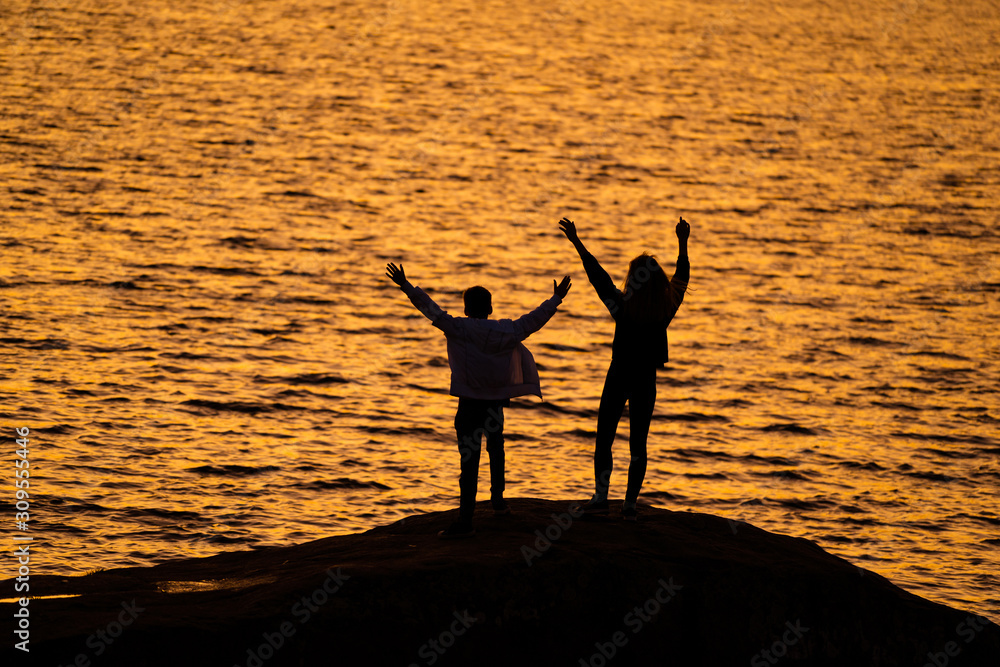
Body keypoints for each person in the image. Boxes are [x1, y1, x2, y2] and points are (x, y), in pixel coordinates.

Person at [386, 262, 571, 538]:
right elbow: (534, 320)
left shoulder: (458, 328)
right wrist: (556, 298)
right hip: (494, 405)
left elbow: (430, 309)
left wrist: (405, 285)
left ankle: (465, 520)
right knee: (496, 449)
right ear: (490, 309)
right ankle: (498, 501)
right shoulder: (506, 330)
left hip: (469, 404)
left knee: (469, 461)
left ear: (465, 309)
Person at [559, 216, 690, 520]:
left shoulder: (622, 307)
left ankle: (601, 497)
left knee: (605, 436)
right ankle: (629, 505)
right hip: (645, 379)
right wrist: (682, 242)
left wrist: (577, 242)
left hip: (618, 376)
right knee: (638, 444)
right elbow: (682, 276)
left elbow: (599, 277)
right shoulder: (665, 309)